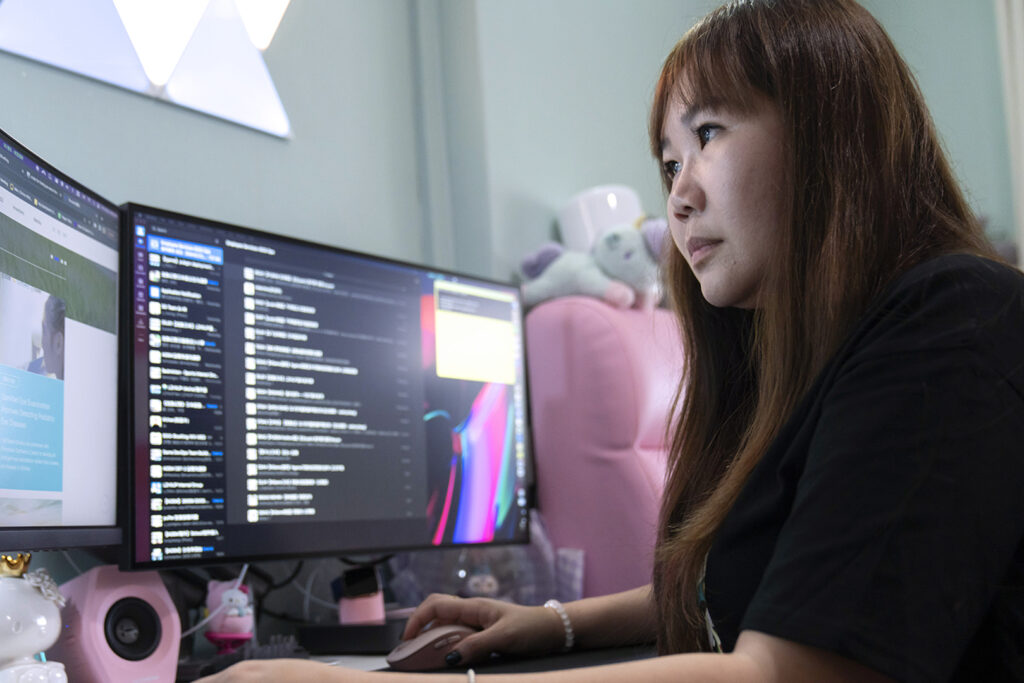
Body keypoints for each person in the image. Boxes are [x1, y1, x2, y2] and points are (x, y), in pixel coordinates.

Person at [197, 0, 1024, 680]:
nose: (681, 195)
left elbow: (786, 670)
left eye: (707, 134)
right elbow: (755, 587)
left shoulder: (956, 319)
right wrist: (550, 622)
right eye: (668, 164)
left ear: (831, 131)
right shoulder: (802, 366)